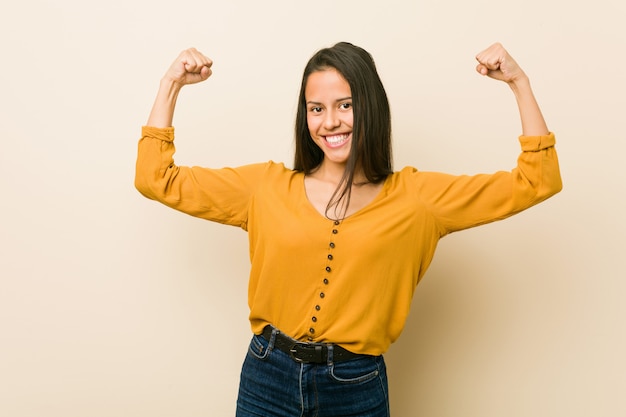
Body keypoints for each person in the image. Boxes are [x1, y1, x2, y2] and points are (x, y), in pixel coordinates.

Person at [135, 42, 562, 417]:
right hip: (267, 377)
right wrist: (170, 84)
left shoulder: (419, 199)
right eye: (316, 109)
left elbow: (537, 181)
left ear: (370, 106)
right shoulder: (264, 188)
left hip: (356, 387)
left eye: (346, 104)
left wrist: (519, 83)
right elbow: (156, 178)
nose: (330, 122)